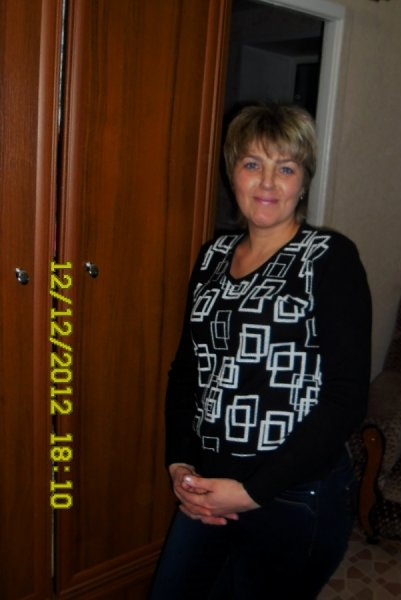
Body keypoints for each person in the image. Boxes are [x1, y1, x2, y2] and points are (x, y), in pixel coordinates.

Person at [149, 103, 372, 599]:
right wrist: (180, 463)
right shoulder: (212, 257)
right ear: (233, 173)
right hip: (210, 485)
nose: (268, 182)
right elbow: (186, 371)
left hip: (295, 494)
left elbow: (346, 400)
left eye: (286, 168)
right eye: (253, 164)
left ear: (303, 181)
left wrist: (252, 491)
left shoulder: (329, 259)